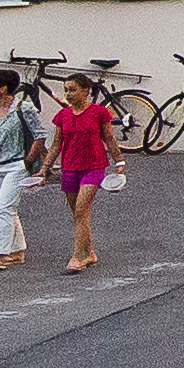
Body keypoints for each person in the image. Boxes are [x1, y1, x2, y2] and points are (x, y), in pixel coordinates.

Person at [0, 66, 47, 271]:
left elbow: (40, 134)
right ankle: (17, 250)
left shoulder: (23, 108)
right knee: (6, 209)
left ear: (4, 89)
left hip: (15, 165)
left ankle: (0, 254)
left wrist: (28, 162)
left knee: (4, 209)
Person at [49, 72, 115, 273]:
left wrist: (119, 161)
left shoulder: (99, 112)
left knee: (80, 210)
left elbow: (109, 138)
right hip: (70, 167)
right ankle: (90, 252)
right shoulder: (63, 115)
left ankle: (77, 257)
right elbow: (56, 145)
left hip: (93, 166)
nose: (68, 94)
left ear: (85, 91)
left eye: (73, 89)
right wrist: (44, 169)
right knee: (79, 215)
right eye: (66, 90)